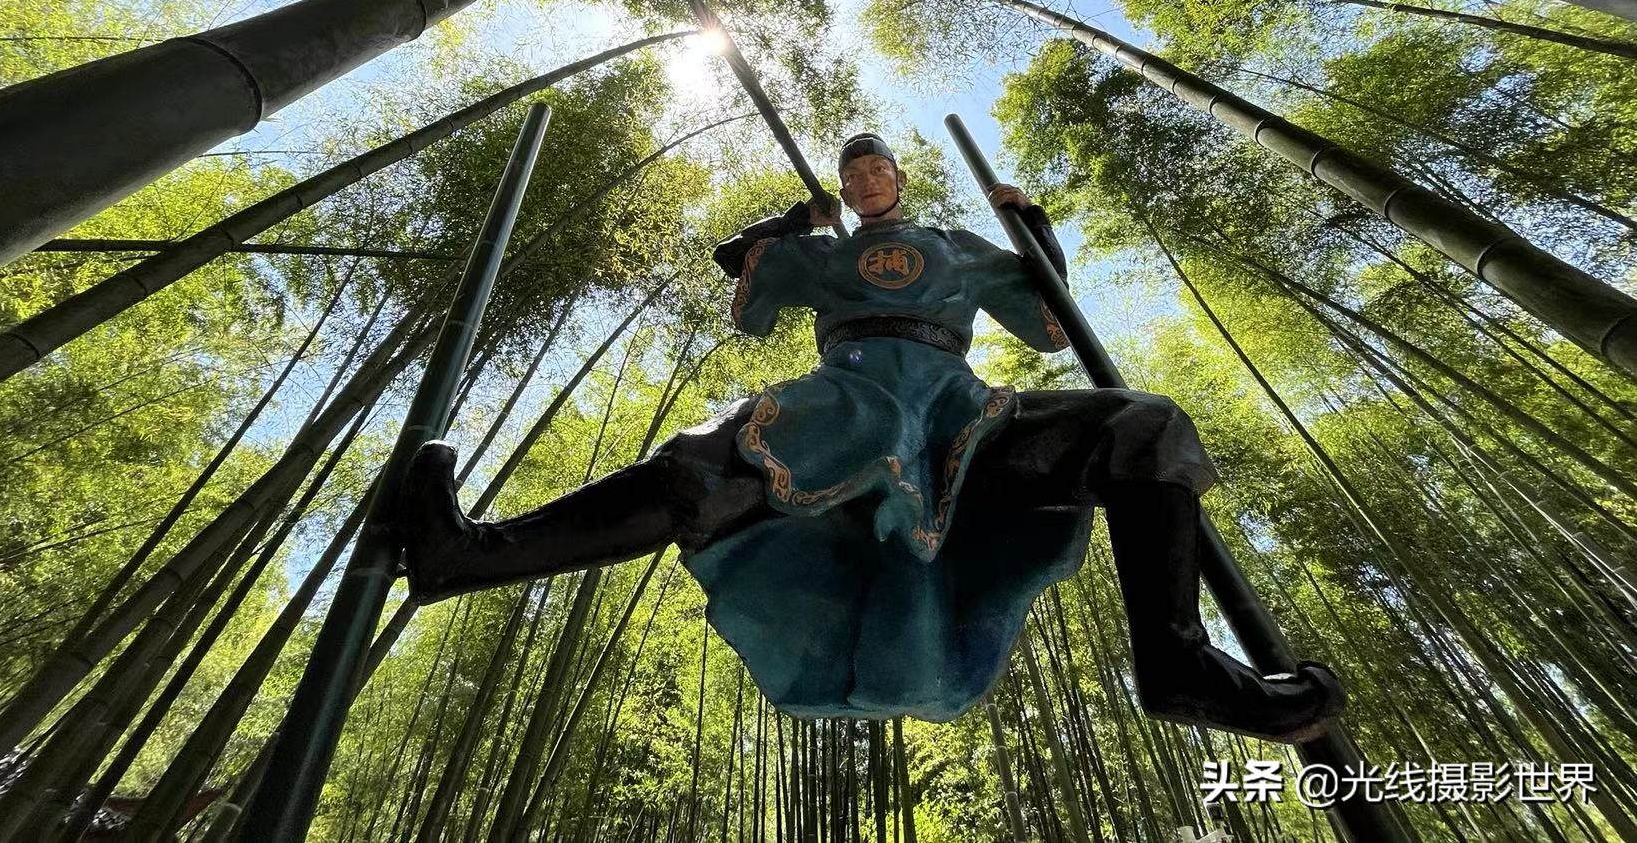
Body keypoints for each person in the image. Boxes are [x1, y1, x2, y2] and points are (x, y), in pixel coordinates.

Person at [398, 133, 1346, 737]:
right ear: (846, 194)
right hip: (848, 391)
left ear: (899, 178)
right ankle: (467, 555)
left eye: (877, 168)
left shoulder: (955, 248)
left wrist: (1033, 225)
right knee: (703, 470)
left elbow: (1050, 319)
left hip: (961, 406)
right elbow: (743, 274)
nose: (866, 179)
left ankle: (1177, 660)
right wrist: (794, 218)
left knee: (1144, 426)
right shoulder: (825, 251)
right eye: (851, 175)